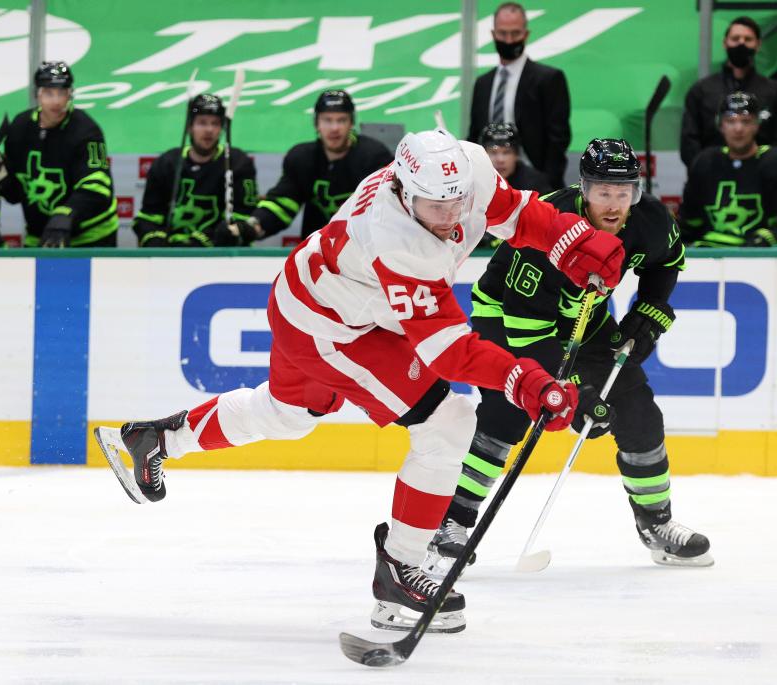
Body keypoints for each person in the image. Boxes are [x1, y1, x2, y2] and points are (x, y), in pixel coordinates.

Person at [95, 128, 626, 634]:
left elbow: (516, 213)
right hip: (331, 327)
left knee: (286, 415)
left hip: (312, 297)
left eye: (457, 202)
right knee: (449, 421)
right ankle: (400, 570)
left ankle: (155, 439)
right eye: (435, 207)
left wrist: (574, 242)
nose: (451, 217)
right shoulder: (394, 238)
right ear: (402, 187)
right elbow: (447, 351)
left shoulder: (464, 173)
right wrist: (526, 381)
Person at [424, 138, 713, 579]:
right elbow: (527, 333)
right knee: (507, 414)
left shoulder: (650, 219)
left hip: (586, 316)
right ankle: (453, 522)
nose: (615, 205)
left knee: (637, 408)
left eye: (624, 193)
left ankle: (655, 524)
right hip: (506, 317)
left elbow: (666, 260)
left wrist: (649, 313)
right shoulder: (549, 230)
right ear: (583, 190)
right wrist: (575, 396)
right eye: (603, 193)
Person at [227, 90, 393, 244]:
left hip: (363, 253)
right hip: (316, 254)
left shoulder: (374, 156)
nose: (334, 128)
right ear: (316, 123)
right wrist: (251, 226)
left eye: (341, 120)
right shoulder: (302, 158)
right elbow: (283, 203)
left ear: (351, 123)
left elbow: (387, 210)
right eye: (327, 120)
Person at [0, 61, 117, 248]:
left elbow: (99, 188)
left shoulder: (87, 131)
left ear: (70, 94)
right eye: (49, 93)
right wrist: (2, 178)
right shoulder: (19, 128)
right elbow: (17, 195)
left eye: (62, 93)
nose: (56, 101)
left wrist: (67, 213)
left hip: (91, 236)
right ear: (37, 94)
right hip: (41, 237)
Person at [467, 2, 571, 189]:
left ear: (525, 34)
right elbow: (475, 134)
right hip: (488, 183)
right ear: (493, 34)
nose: (508, 40)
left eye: (515, 33)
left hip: (534, 184)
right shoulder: (483, 84)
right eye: (502, 33)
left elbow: (559, 138)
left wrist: (547, 183)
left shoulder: (548, 79)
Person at [133, 94, 258, 247]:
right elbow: (149, 216)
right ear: (189, 127)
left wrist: (202, 242)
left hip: (220, 255)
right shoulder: (166, 163)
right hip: (171, 252)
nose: (209, 130)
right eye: (202, 123)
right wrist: (155, 241)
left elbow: (243, 220)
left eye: (215, 123)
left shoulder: (237, 163)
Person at [679, 92, 777, 247]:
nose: (738, 128)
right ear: (720, 126)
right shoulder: (705, 162)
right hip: (707, 255)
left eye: (746, 121)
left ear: (757, 125)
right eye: (731, 121)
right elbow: (690, 223)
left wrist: (761, 242)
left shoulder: (775, 161)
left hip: (757, 258)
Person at [680, 16, 777, 169]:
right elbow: (689, 141)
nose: (741, 43)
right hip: (711, 178)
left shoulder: (773, 91)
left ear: (758, 44)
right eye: (735, 38)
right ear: (725, 43)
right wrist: (704, 172)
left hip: (760, 178)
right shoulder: (701, 90)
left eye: (748, 39)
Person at [480, 123, 552, 196]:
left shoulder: (536, 184)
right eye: (493, 152)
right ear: (483, 154)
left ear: (516, 155)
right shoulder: (474, 181)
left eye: (506, 152)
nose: (500, 160)